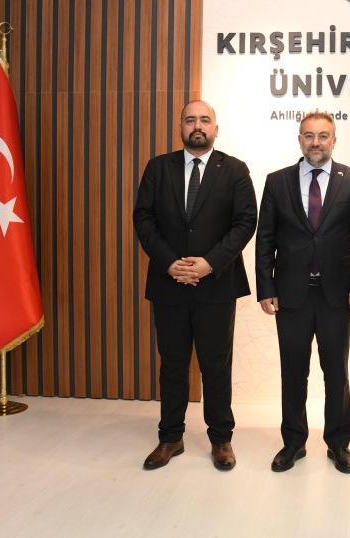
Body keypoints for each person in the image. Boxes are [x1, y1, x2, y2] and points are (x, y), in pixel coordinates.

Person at [133, 100, 257, 472]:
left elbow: (245, 222)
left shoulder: (234, 170)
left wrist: (208, 263)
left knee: (216, 366)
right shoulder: (158, 168)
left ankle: (221, 439)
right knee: (172, 365)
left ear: (215, 129)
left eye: (204, 120)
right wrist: (169, 262)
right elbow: (143, 219)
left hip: (216, 285)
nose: (197, 126)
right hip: (168, 283)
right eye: (190, 120)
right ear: (181, 128)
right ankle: (170, 437)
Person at [255, 110, 350, 474]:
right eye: (309, 136)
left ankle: (338, 443)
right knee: (293, 371)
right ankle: (293, 441)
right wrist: (266, 287)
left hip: (337, 295)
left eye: (323, 136)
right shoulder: (277, 181)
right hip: (291, 293)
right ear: (300, 140)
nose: (316, 142)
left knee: (336, 372)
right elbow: (265, 239)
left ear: (334, 140)